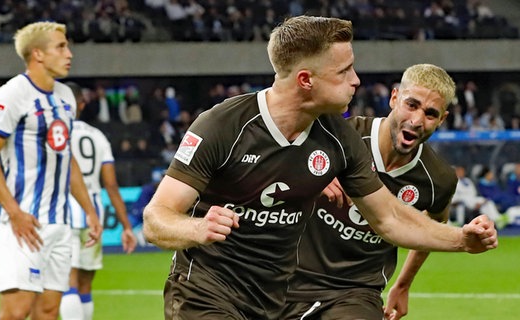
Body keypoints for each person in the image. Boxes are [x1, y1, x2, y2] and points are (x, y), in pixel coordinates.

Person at [142, 16, 497, 320]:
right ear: (306, 80)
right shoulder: (223, 125)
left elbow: (389, 217)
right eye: (344, 71)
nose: (356, 80)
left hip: (273, 300)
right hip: (207, 291)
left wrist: (461, 240)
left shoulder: (337, 135)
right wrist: (197, 227)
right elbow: (156, 219)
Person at [281, 63, 463, 320]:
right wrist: (307, 173)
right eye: (411, 105)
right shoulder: (336, 137)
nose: (417, 120)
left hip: (356, 292)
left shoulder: (438, 179)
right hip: (289, 280)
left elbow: (431, 227)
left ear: (442, 119)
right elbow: (274, 162)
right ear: (394, 98)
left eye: (431, 114)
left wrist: (403, 284)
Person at [0, 21, 102, 320]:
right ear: (38, 55)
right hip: (24, 222)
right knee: (16, 312)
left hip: (61, 223)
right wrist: (15, 212)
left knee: (47, 312)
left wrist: (90, 211)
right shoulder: (12, 94)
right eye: (60, 47)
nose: (69, 53)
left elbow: (66, 158)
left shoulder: (66, 97)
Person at [59, 82, 137, 320]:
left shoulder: (57, 132)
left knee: (67, 283)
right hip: (94, 214)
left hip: (63, 212)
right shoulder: (97, 136)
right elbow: (111, 185)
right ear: (82, 104)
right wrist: (126, 226)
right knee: (85, 286)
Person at [128, 167, 166, 245]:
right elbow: (143, 210)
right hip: (139, 217)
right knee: (130, 226)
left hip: (156, 219)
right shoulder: (148, 189)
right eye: (161, 178)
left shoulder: (167, 190)